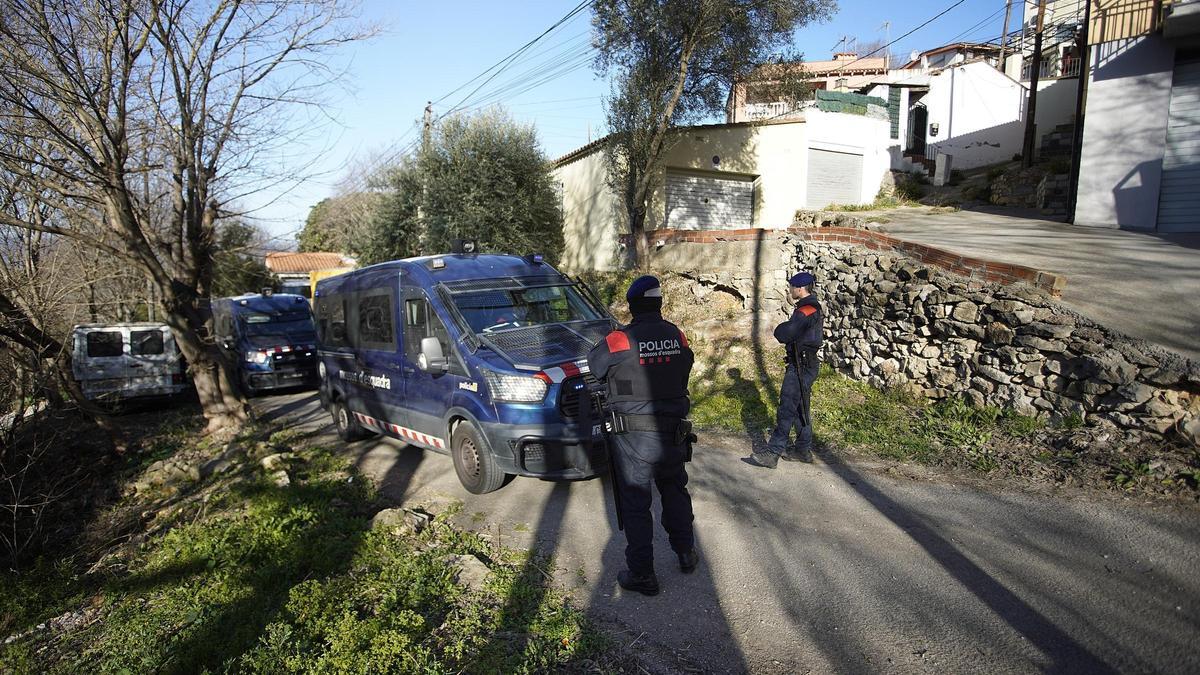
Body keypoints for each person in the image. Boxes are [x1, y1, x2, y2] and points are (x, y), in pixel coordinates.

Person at [587, 275, 697, 596]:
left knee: (636, 503)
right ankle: (686, 552)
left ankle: (643, 573)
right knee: (675, 490)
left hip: (632, 437)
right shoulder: (678, 335)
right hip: (673, 432)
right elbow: (685, 366)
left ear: (633, 304)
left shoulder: (620, 340)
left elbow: (595, 365)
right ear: (659, 303)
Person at [746, 271, 823, 469]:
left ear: (800, 288)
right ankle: (802, 450)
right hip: (806, 364)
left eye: (791, 287)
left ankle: (772, 453)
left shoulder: (806, 309)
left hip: (800, 366)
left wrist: (779, 329)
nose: (790, 290)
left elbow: (786, 333)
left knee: (787, 408)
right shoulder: (809, 307)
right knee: (800, 408)